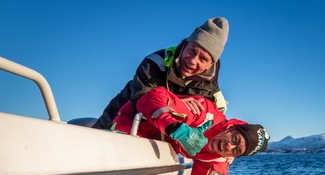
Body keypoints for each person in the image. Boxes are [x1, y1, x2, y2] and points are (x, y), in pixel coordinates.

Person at [111, 87, 270, 175]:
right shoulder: (203, 114)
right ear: (231, 127)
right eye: (234, 139)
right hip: (129, 125)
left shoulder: (218, 159)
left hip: (156, 148)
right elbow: (150, 98)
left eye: (237, 150)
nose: (229, 147)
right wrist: (174, 126)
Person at [93, 17, 229, 131]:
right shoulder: (154, 62)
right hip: (123, 113)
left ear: (210, 64)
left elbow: (218, 122)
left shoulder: (212, 90)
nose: (193, 61)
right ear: (186, 43)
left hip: (165, 133)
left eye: (203, 59)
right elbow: (140, 102)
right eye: (192, 50)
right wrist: (176, 105)